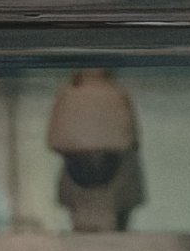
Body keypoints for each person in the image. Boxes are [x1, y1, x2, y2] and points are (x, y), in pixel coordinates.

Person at [48, 68, 145, 233]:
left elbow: (55, 140)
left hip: (84, 172)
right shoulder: (117, 94)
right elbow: (132, 140)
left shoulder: (67, 95)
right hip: (111, 172)